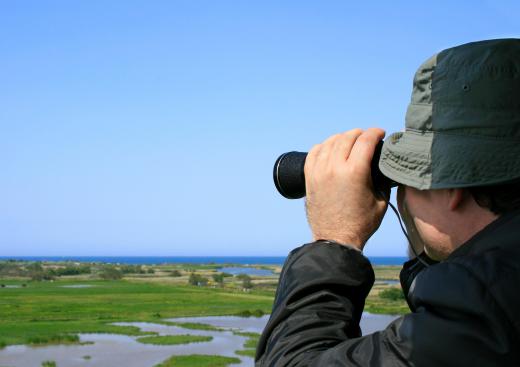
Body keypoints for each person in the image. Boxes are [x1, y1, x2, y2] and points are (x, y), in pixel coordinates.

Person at [255, 38, 520, 366]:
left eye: (408, 177)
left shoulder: (487, 314)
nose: (402, 192)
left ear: (450, 188)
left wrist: (335, 239)